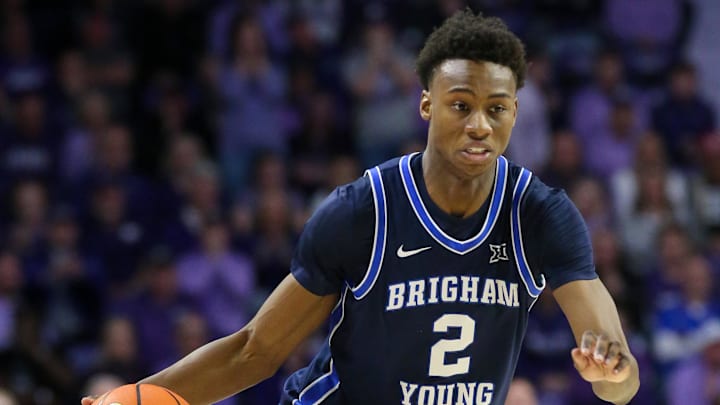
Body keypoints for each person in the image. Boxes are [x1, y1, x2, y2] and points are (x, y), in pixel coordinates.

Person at [82, 9, 640, 405]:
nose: (479, 125)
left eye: (497, 109)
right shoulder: (362, 211)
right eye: (461, 105)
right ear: (426, 105)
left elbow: (623, 382)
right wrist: (139, 396)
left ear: (516, 111)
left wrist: (609, 373)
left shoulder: (541, 215)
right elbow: (255, 351)